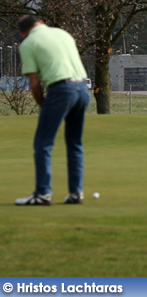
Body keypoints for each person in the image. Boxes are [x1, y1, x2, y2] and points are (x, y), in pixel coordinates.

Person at [15, 15, 91, 205]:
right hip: (83, 88)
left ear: (24, 33)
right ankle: (76, 193)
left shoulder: (27, 44)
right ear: (41, 23)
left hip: (61, 90)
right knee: (74, 142)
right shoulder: (62, 33)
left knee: (43, 143)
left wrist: (43, 106)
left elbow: (34, 82)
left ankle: (43, 193)